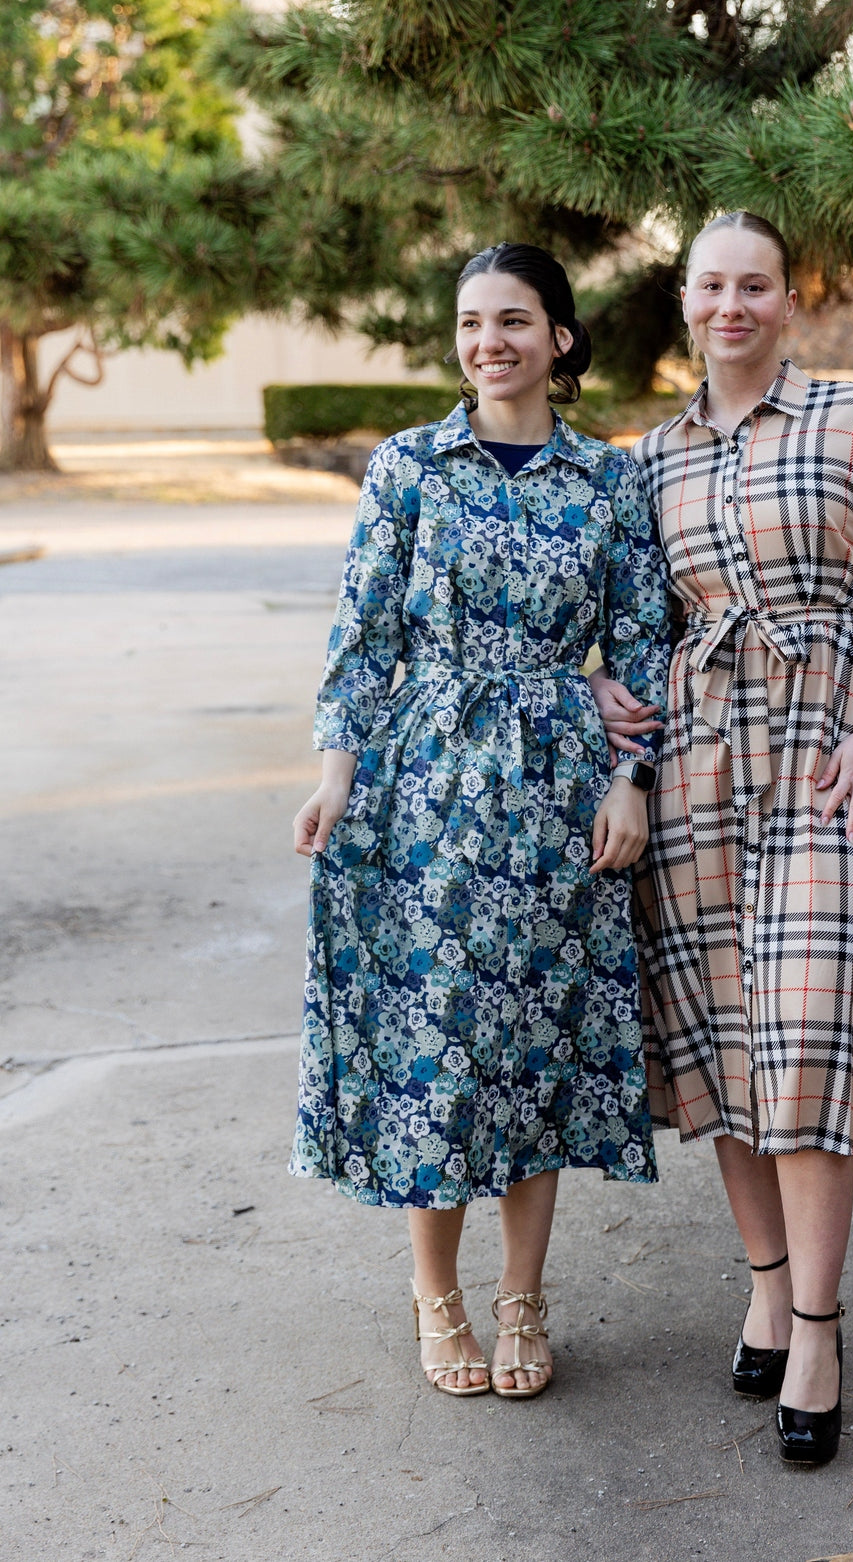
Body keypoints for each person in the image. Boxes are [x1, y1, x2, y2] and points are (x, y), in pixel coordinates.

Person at [592, 211, 853, 1463]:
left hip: (822, 762)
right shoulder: (648, 460)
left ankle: (817, 1326)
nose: (731, 306)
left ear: (789, 302)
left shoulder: (851, 420)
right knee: (723, 1049)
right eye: (711, 286)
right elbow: (626, 620)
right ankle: (764, 1280)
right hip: (695, 768)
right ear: (684, 301)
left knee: (801, 1044)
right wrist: (603, 698)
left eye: (755, 286)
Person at [291, 242, 670, 1400]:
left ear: (559, 336)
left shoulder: (607, 480)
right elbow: (362, 636)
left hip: (560, 790)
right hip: (428, 791)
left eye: (511, 319)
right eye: (469, 322)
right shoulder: (408, 466)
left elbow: (640, 643)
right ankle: (435, 1295)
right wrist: (334, 775)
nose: (487, 341)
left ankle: (522, 1296)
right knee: (438, 1043)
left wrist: (630, 779)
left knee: (531, 1044)